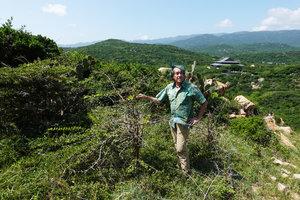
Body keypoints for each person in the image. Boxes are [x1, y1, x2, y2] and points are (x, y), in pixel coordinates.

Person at [136, 65, 207, 173]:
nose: (179, 75)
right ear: (173, 76)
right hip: (172, 122)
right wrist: (146, 97)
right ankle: (181, 166)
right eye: (177, 73)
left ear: (184, 75)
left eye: (181, 73)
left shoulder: (191, 88)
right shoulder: (169, 88)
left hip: (184, 122)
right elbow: (159, 100)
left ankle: (186, 173)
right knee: (177, 146)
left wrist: (198, 118)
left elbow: (204, 102)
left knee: (180, 148)